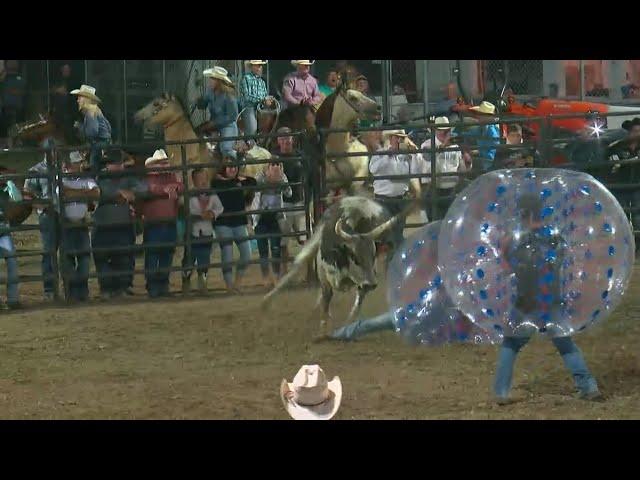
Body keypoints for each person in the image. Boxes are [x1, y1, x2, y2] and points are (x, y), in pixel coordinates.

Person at [494, 193, 602, 404]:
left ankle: (501, 392)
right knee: (565, 344)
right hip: (551, 299)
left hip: (525, 301)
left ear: (522, 214)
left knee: (511, 344)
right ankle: (588, 387)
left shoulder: (513, 239)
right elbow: (562, 262)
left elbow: (505, 265)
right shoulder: (555, 238)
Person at [92, 149, 145, 299]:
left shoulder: (127, 177)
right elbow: (94, 192)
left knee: (124, 257)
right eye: (111, 163)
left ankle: (123, 286)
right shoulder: (99, 177)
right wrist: (120, 194)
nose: (114, 166)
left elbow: (142, 188)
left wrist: (128, 193)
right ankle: (107, 288)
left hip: (120, 223)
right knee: (103, 257)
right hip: (104, 223)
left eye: (117, 163)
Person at [141, 149, 184, 298]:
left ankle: (162, 285)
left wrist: (174, 187)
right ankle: (153, 285)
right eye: (162, 163)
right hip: (154, 222)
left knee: (165, 254)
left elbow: (180, 186)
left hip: (167, 221)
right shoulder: (148, 177)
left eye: (166, 162)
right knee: (154, 255)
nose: (165, 165)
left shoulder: (171, 176)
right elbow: (148, 189)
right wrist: (167, 189)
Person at [59, 150, 100, 302]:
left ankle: (81, 292)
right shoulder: (61, 179)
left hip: (80, 223)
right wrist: (84, 193)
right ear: (68, 165)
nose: (79, 165)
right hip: (67, 224)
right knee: (69, 260)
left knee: (83, 260)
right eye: (76, 163)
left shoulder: (85, 178)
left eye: (78, 163)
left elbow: (96, 193)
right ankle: (72, 292)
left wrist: (74, 192)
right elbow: (63, 194)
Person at [211, 158, 256, 293]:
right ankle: (230, 285)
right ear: (223, 169)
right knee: (227, 254)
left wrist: (240, 179)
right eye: (229, 167)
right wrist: (237, 181)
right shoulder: (216, 182)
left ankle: (237, 282)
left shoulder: (237, 181)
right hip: (222, 223)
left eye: (234, 167)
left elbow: (253, 182)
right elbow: (221, 186)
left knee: (247, 254)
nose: (233, 169)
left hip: (238, 222)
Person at [413, 116, 467, 219]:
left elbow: (460, 167)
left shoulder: (455, 146)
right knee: (435, 221)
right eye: (440, 130)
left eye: (446, 130)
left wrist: (466, 162)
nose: (443, 133)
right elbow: (427, 161)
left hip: (451, 190)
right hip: (434, 189)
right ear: (434, 131)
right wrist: (443, 146)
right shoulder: (427, 145)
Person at [369, 130, 413, 253]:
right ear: (391, 138)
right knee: (386, 235)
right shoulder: (380, 154)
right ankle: (389, 263)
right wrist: (388, 155)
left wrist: (414, 153)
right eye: (397, 138)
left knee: (398, 232)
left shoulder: (406, 156)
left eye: (402, 138)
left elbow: (415, 171)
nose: (399, 141)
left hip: (401, 199)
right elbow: (373, 169)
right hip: (383, 200)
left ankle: (395, 262)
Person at [270, 127, 307, 273]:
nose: (286, 141)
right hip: (283, 202)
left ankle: (308, 271)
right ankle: (285, 271)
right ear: (278, 141)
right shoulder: (274, 157)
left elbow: (307, 175)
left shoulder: (300, 155)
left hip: (299, 201)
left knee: (304, 237)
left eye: (288, 138)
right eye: (283, 138)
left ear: (292, 139)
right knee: (283, 241)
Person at [182, 168, 224, 294]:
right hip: (192, 231)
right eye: (200, 179)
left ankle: (202, 282)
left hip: (207, 231)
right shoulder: (189, 195)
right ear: (194, 181)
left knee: (204, 257)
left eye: (205, 178)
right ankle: (186, 280)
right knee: (189, 258)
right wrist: (199, 215)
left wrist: (213, 213)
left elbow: (220, 207)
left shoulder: (212, 194)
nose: (203, 181)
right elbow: (185, 210)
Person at [23, 151, 58, 300]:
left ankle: (72, 288)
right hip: (48, 215)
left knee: (69, 250)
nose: (54, 153)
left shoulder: (65, 167)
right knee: (49, 252)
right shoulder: (35, 170)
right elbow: (27, 193)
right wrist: (42, 206)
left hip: (66, 213)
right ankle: (49, 290)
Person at [252, 160, 292, 287]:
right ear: (267, 167)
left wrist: (280, 180)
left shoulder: (282, 176)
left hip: (275, 216)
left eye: (278, 165)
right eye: (273, 165)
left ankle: (275, 276)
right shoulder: (260, 177)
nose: (275, 167)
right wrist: (270, 180)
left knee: (275, 248)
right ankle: (265, 277)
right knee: (263, 250)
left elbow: (289, 193)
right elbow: (254, 189)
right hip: (260, 216)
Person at [196, 67, 239, 159]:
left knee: (226, 148)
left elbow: (233, 116)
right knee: (198, 133)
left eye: (212, 79)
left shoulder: (229, 96)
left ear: (219, 81)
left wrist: (215, 123)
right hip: (213, 123)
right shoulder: (210, 92)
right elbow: (203, 105)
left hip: (227, 125)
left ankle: (233, 165)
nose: (210, 81)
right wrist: (200, 101)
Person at [70, 85, 112, 174]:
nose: (78, 100)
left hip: (98, 145)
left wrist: (80, 127)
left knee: (94, 168)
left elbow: (92, 133)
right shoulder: (96, 111)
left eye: (79, 98)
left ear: (86, 99)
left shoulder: (90, 113)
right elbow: (108, 127)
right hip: (103, 144)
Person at [0, 180, 21, 309]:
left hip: (3, 229)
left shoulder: (4, 189)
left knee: (12, 261)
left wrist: (10, 183)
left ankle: (13, 299)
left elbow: (17, 198)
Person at [466, 101, 501, 171]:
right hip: (483, 159)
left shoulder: (492, 132)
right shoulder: (481, 128)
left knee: (467, 162)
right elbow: (470, 133)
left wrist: (478, 151)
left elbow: (493, 154)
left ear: (488, 117)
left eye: (480, 114)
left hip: (489, 163)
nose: (477, 116)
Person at [240, 60, 270, 137]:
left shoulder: (262, 82)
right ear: (251, 67)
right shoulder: (246, 78)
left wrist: (268, 100)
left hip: (261, 108)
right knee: (252, 129)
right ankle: (250, 141)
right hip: (250, 107)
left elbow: (265, 95)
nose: (259, 68)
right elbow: (247, 96)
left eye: (260, 66)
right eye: (257, 65)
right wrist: (262, 100)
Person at [51, 63, 78, 144]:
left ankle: (73, 143)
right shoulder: (59, 81)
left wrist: (65, 92)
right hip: (60, 110)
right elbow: (54, 91)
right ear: (62, 70)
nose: (66, 71)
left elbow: (74, 93)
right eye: (65, 70)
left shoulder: (73, 81)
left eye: (68, 70)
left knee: (68, 127)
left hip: (70, 109)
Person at [0, 60, 26, 141]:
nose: (13, 63)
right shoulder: (3, 78)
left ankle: (18, 141)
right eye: (10, 61)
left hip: (19, 109)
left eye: (14, 61)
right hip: (4, 109)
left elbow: (25, 91)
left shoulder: (22, 78)